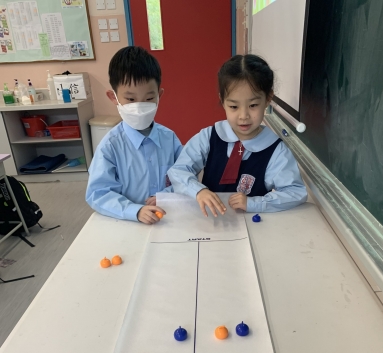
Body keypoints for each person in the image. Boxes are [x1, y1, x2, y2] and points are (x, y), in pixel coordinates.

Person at [167, 54, 307, 217]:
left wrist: (254, 203)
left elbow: (296, 192)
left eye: (253, 105)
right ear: (222, 101)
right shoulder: (209, 137)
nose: (243, 116)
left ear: (268, 98)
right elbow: (178, 170)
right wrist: (198, 191)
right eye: (234, 106)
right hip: (210, 219)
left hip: (253, 223)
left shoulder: (276, 151)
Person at [86, 46, 182, 224]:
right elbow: (98, 194)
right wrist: (135, 211)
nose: (139, 106)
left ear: (159, 96)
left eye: (149, 98)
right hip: (127, 222)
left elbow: (184, 176)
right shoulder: (110, 146)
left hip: (168, 217)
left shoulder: (170, 139)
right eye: (130, 99)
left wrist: (166, 195)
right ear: (113, 97)